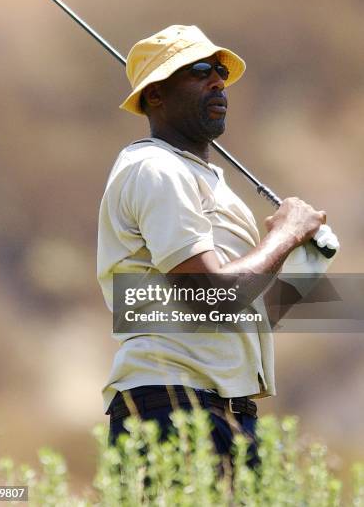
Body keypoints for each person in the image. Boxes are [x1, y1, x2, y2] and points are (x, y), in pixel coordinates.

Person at [96, 24, 338, 466]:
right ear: (155, 96)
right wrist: (283, 233)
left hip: (226, 412)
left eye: (220, 71)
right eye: (199, 70)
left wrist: (304, 260)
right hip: (174, 407)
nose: (217, 81)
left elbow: (243, 311)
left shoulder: (206, 181)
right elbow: (213, 298)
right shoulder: (156, 169)